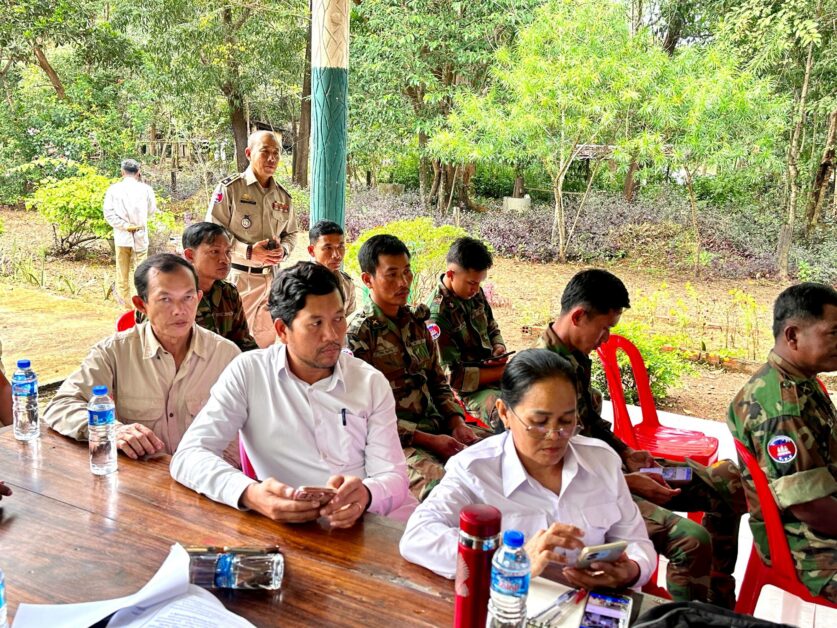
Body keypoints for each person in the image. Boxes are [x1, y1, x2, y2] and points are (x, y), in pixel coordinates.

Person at [536, 268, 746, 608]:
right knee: (691, 541)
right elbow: (549, 465)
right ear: (578, 316)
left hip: (619, 471)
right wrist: (627, 482)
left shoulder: (575, 358)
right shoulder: (540, 373)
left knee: (728, 484)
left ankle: (715, 602)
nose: (606, 339)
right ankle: (686, 617)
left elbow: (591, 424)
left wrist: (627, 453)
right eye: (604, 328)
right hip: (591, 489)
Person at [171, 262, 414, 525]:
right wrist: (250, 494)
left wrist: (367, 494)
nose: (332, 335)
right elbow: (190, 455)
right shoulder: (250, 373)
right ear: (282, 330)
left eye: (338, 318)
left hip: (378, 523)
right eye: (316, 323)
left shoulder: (369, 383)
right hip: (296, 529)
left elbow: (394, 478)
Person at [400, 349, 656, 587]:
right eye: (539, 422)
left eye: (567, 421)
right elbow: (418, 537)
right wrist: (512, 558)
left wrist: (631, 570)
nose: (555, 435)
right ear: (504, 413)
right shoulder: (475, 470)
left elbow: (636, 541)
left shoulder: (601, 462)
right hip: (508, 605)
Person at [44, 254, 241, 458]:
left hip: (208, 473)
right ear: (141, 305)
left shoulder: (227, 356)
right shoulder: (115, 352)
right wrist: (113, 429)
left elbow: (248, 428)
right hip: (143, 473)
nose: (179, 310)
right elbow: (60, 406)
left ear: (198, 299)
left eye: (188, 298)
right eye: (165, 299)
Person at [347, 235, 485, 502]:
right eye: (392, 274)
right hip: (397, 442)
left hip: (438, 427)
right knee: (446, 493)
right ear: (367, 280)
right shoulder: (359, 336)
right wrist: (429, 440)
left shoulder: (416, 323)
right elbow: (362, 417)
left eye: (407, 272)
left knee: (499, 457)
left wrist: (456, 423)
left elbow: (438, 381)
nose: (403, 282)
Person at [728, 282, 837, 603]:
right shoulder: (782, 410)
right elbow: (808, 507)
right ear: (792, 336)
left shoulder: (799, 381)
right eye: (833, 333)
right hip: (808, 546)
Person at [206, 130, 299, 347]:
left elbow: (292, 233)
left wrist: (284, 250)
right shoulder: (230, 189)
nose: (272, 158)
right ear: (248, 153)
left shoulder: (283, 196)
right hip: (239, 279)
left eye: (276, 153)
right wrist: (247, 251)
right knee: (231, 344)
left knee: (265, 344)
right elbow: (212, 231)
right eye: (265, 152)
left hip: (271, 279)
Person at [427, 236, 508, 432]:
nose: (476, 289)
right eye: (472, 283)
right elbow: (453, 378)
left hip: (495, 372)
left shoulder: (473, 292)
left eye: (479, 283)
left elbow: (491, 325)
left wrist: (498, 346)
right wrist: (502, 372)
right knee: (510, 414)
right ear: (450, 274)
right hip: (468, 391)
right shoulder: (437, 316)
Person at [136, 223, 258, 352]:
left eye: (228, 252)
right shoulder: (166, 295)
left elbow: (243, 342)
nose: (225, 260)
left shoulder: (228, 292)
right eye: (214, 252)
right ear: (190, 255)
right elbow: (153, 350)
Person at [103, 158, 158, 304]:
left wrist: (124, 225)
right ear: (138, 172)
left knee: (122, 272)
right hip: (140, 234)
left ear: (122, 172)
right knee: (141, 272)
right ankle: (139, 306)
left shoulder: (113, 189)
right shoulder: (146, 189)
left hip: (122, 236)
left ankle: (125, 306)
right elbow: (151, 210)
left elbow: (108, 214)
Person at [308, 219, 356, 317]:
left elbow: (350, 321)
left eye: (340, 247)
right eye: (328, 248)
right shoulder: (299, 284)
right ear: (311, 250)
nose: (337, 255)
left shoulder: (347, 283)